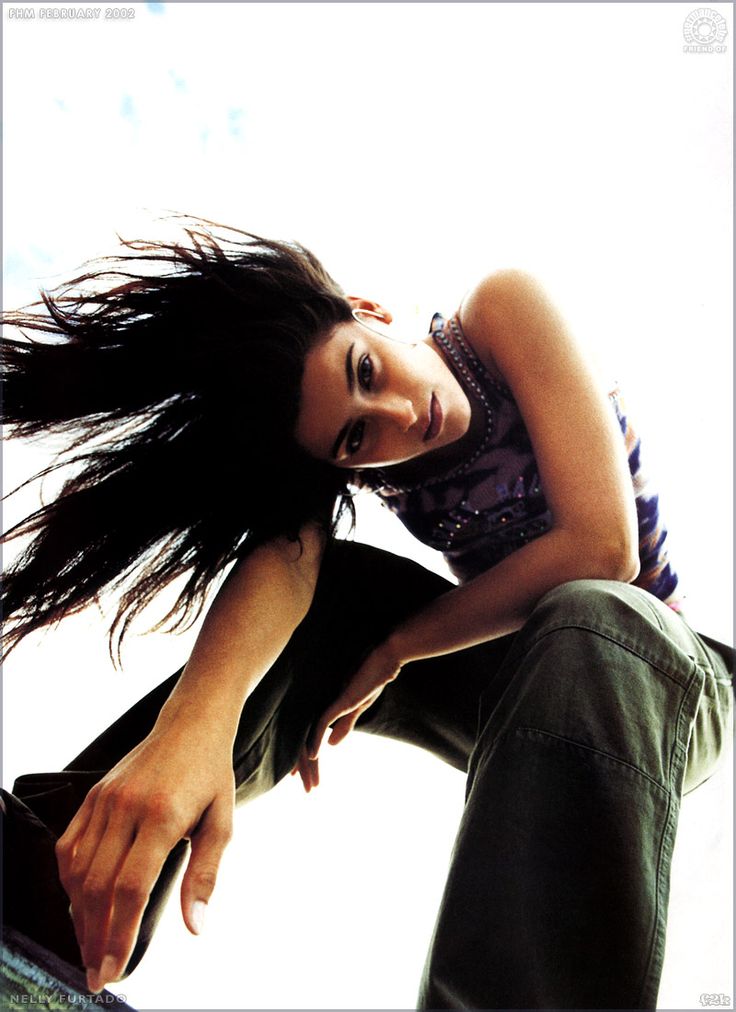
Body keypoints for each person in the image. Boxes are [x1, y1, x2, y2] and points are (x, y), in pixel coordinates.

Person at [1, 217, 732, 1009]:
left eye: (366, 369)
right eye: (356, 439)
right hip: (522, 682)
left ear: (369, 311)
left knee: (588, 613)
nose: (393, 416)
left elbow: (602, 547)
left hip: (658, 681)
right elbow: (286, 560)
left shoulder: (497, 312)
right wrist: (196, 727)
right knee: (328, 592)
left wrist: (396, 650)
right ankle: (65, 881)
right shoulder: (357, 473)